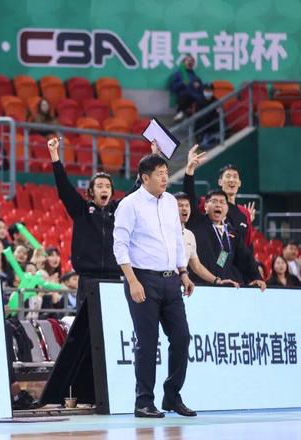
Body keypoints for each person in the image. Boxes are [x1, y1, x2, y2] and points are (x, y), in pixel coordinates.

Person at [113, 153, 196, 418]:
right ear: (144, 178)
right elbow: (120, 245)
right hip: (142, 279)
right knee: (147, 343)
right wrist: (132, 280)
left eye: (166, 173)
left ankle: (171, 395)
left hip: (171, 279)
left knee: (182, 337)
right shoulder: (129, 204)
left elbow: (176, 240)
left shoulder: (171, 202)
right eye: (159, 174)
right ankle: (143, 401)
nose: (165, 178)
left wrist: (183, 272)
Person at [183, 148, 266, 289]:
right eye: (214, 201)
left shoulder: (230, 233)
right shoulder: (198, 221)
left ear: (226, 208)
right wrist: (189, 171)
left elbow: (245, 256)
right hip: (198, 287)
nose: (218, 205)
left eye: (222, 202)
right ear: (205, 205)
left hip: (223, 286)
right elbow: (189, 197)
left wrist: (255, 277)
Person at [48, 137, 123, 280]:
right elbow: (64, 187)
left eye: (108, 186)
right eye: (99, 186)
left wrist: (154, 157)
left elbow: (136, 192)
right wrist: (54, 155)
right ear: (91, 192)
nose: (104, 189)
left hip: (114, 277)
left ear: (112, 192)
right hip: (88, 278)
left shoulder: (119, 210)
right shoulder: (81, 209)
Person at [173, 192, 240, 288]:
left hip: (183, 286)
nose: (184, 208)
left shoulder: (190, 235)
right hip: (164, 281)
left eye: (187, 205)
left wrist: (217, 281)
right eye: (180, 205)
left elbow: (197, 266)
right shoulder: (198, 225)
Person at [169, 55, 204, 122]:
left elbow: (201, 89)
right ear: (183, 63)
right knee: (186, 95)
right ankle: (181, 112)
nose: (190, 62)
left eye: (192, 61)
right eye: (188, 60)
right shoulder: (178, 74)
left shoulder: (195, 77)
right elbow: (173, 87)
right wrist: (183, 83)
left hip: (195, 99)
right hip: (183, 99)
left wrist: (198, 86)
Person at [193, 84, 220, 149]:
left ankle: (217, 137)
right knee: (204, 117)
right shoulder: (199, 101)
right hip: (202, 125)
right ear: (203, 91)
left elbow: (218, 112)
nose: (208, 92)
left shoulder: (216, 101)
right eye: (206, 90)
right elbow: (197, 115)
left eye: (210, 90)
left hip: (213, 124)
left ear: (212, 91)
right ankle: (201, 138)